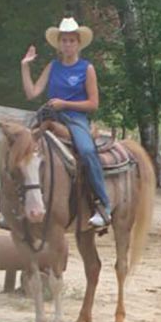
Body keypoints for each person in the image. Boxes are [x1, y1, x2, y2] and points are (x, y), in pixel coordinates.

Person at [17, 17, 111, 229]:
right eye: (64, 40)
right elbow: (32, 93)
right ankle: (11, 206)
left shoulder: (87, 69)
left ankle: (104, 204)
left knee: (87, 151)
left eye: (71, 40)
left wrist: (64, 103)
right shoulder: (53, 66)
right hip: (50, 116)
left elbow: (93, 104)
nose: (67, 44)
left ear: (78, 43)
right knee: (20, 148)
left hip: (75, 118)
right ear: (59, 44)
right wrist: (25, 67)